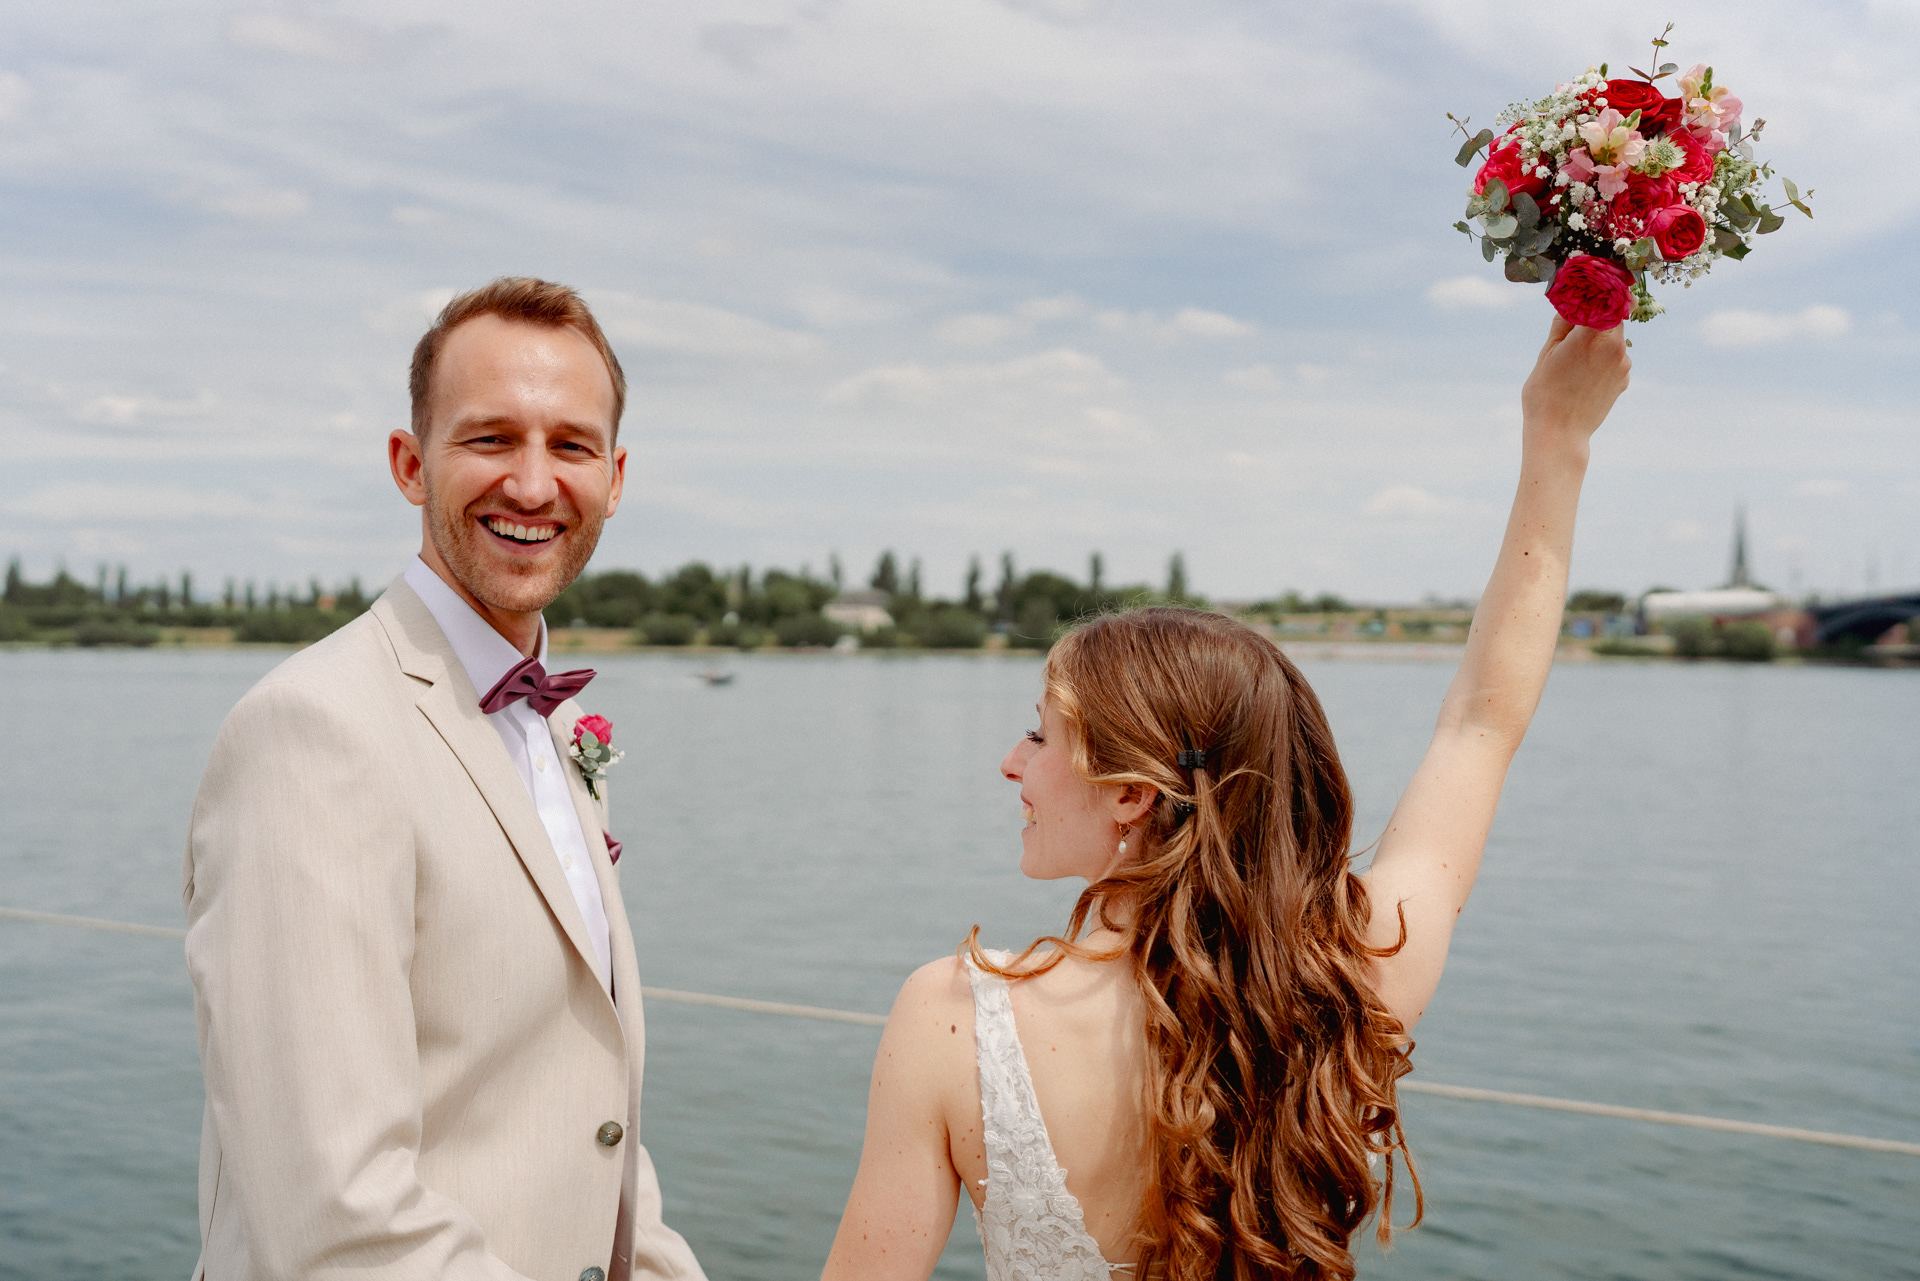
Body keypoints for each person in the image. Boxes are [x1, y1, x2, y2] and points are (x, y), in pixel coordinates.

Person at [822, 316, 1631, 1281]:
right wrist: (1558, 438)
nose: (1010, 763)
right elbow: (1480, 727)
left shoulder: (951, 1017)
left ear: (1131, 792)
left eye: (1038, 733)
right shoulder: (1349, 975)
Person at [182, 278, 705, 1281]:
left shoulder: (556, 730)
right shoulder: (313, 732)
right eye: (491, 438)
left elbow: (589, 1122)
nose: (533, 485)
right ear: (410, 464)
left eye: (571, 445)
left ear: (615, 477)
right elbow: (334, 1216)